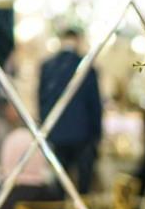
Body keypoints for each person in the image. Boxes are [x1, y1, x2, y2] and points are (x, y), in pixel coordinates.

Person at [38, 27, 102, 194]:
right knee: (82, 185)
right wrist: (97, 135)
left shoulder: (47, 66)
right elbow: (94, 104)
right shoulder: (87, 67)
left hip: (56, 133)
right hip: (83, 134)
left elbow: (42, 101)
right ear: (78, 40)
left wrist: (46, 129)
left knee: (59, 182)